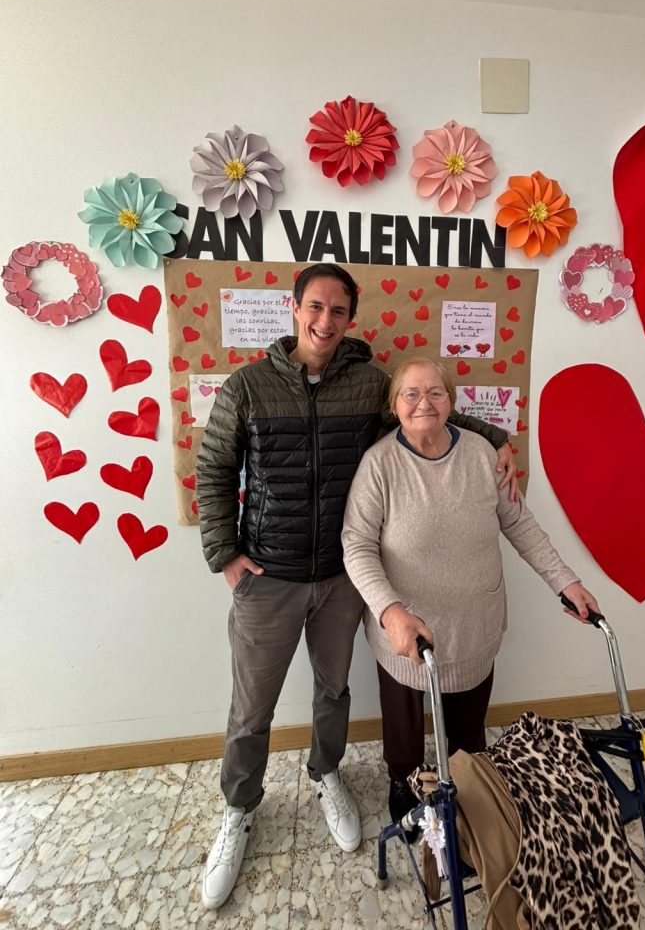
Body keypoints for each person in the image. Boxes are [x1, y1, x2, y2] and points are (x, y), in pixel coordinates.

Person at [195, 263, 517, 909]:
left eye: (338, 311)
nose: (325, 321)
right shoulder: (248, 386)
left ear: (350, 318)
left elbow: (425, 415)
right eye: (315, 307)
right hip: (268, 576)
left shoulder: (369, 383)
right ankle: (239, 808)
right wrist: (224, 553)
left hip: (343, 578)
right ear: (294, 309)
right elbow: (213, 465)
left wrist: (497, 438)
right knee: (251, 707)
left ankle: (326, 774)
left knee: (333, 691)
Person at [341, 358, 599, 829]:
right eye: (411, 394)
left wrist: (566, 581)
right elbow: (356, 545)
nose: (424, 403)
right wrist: (390, 612)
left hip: (474, 622)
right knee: (402, 723)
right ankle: (403, 780)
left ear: (452, 401)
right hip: (404, 629)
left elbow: (519, 524)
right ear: (394, 405)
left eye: (435, 392)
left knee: (467, 730)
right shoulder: (378, 464)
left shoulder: (482, 453)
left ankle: (468, 781)